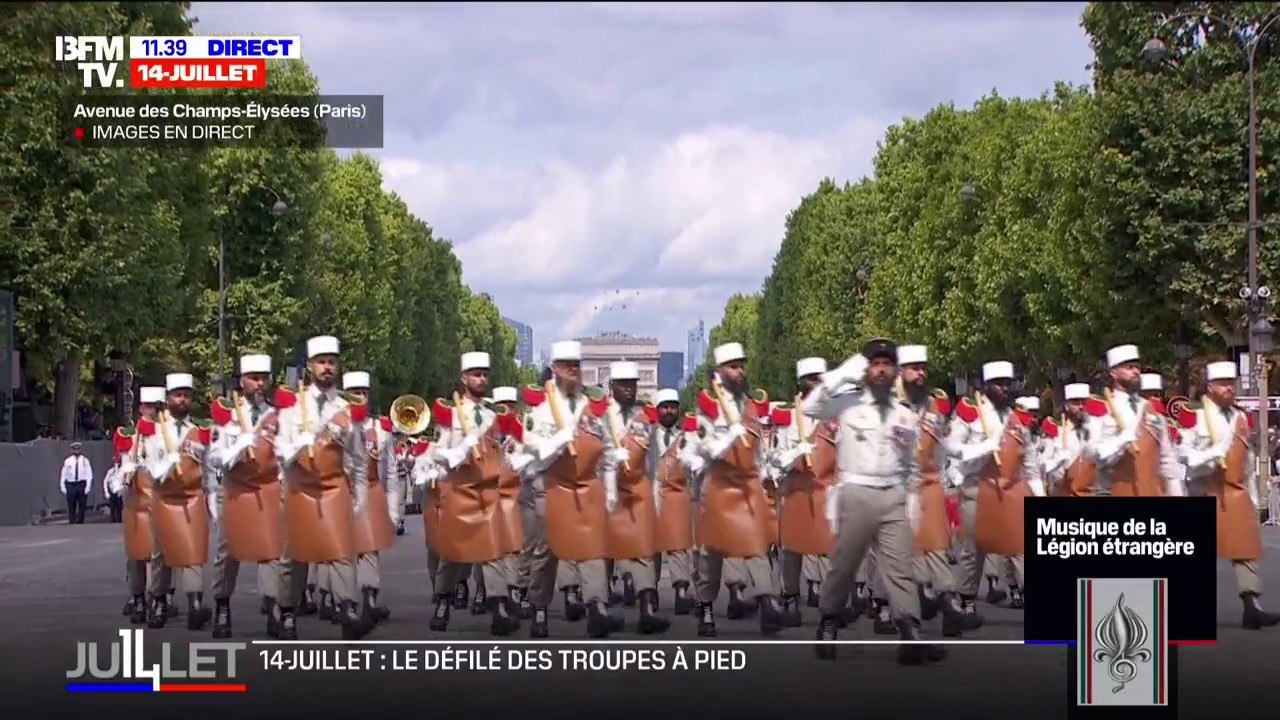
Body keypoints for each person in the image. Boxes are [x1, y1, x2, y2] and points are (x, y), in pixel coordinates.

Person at [803, 340, 942, 665]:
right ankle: (828, 622)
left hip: (892, 495)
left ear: (895, 372)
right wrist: (841, 373)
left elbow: (909, 463)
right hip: (856, 493)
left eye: (887, 365)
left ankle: (911, 634)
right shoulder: (847, 403)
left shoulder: (903, 415)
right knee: (845, 565)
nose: (881, 370)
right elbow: (810, 407)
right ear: (865, 370)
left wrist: (910, 499)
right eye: (875, 364)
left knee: (899, 569)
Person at [274, 335, 374, 640]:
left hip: (333, 487)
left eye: (332, 362)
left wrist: (359, 498)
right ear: (310, 366)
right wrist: (310, 438)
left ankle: (348, 608)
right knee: (293, 557)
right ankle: (287, 612)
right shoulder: (293, 406)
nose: (327, 368)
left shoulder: (347, 408)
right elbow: (281, 449)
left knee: (341, 551)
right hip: (298, 486)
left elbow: (357, 459)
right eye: (321, 362)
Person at [523, 340, 625, 638]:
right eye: (567, 366)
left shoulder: (593, 410)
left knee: (593, 550)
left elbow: (607, 452)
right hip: (551, 487)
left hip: (586, 488)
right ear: (554, 369)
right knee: (545, 553)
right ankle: (539, 609)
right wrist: (559, 439)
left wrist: (609, 492)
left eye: (577, 366)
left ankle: (597, 608)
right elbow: (534, 455)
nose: (573, 371)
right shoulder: (538, 412)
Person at [1177, 360, 1280, 630]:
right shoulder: (1193, 416)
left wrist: (1254, 497)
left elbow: (1244, 460)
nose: (1229, 389)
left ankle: (1252, 606)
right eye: (1223, 384)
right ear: (1210, 387)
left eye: (1232, 384)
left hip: (1234, 491)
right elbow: (1185, 456)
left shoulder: (1240, 417)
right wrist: (1211, 457)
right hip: (1204, 490)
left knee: (1244, 549)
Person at [692, 342, 784, 637]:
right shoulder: (707, 407)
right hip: (718, 484)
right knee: (712, 554)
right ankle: (706, 607)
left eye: (741, 366)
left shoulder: (751, 406)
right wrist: (728, 438)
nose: (739, 371)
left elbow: (759, 449)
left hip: (747, 485)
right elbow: (704, 449)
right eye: (733, 367)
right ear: (719, 372)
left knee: (756, 545)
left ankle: (768, 601)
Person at [945, 360, 1041, 624]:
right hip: (977, 488)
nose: (1004, 389)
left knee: (1021, 546)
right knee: (973, 548)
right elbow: (952, 446)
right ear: (985, 386)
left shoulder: (1017, 418)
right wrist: (985, 447)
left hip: (1010, 490)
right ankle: (965, 600)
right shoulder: (970, 413)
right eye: (998, 384)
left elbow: (1029, 460)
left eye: (1007, 384)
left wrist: (1038, 494)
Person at [207, 353, 294, 640]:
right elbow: (215, 457)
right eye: (253, 378)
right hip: (236, 489)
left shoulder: (277, 415)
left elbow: (285, 451)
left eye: (263, 379)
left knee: (272, 550)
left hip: (268, 488)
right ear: (242, 381)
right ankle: (222, 605)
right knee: (228, 551)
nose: (259, 384)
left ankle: (273, 606)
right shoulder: (227, 414)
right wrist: (237, 447)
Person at [603, 361, 671, 634]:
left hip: (638, 487)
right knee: (603, 551)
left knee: (643, 549)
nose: (629, 390)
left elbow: (653, 459)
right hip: (607, 488)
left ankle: (647, 608)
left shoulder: (646, 418)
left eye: (633, 384)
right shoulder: (599, 415)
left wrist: (654, 494)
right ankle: (599, 606)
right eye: (623, 385)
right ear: (612, 387)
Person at [768, 357, 836, 628]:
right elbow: (775, 457)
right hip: (796, 487)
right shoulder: (788, 419)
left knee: (830, 547)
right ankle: (791, 597)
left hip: (825, 487)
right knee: (792, 548)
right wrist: (795, 453)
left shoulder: (835, 418)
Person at [143, 372, 214, 630]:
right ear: (168, 398)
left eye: (186, 395)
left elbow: (209, 464)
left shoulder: (199, 430)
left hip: (193, 497)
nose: (182, 400)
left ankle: (195, 603)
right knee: (161, 553)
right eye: (177, 395)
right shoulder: (154, 430)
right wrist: (166, 464)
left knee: (193, 551)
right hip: (164, 497)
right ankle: (159, 601)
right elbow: (148, 465)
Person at [1087, 345, 1181, 497]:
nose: (1136, 372)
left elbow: (1167, 459)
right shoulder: (1102, 410)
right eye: (1130, 367)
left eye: (1138, 367)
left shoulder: (1151, 409)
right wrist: (1122, 440)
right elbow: (1094, 457)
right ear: (1113, 372)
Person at [344, 371, 399, 625]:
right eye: (355, 393)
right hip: (342, 491)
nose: (360, 398)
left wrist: (393, 511)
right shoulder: (335, 426)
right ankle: (335, 598)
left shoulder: (381, 431)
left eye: (364, 393)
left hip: (372, 491)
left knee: (368, 548)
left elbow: (390, 473)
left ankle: (369, 598)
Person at [649, 388, 703, 615]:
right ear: (657, 410)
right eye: (664, 407)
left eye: (672, 406)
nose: (669, 411)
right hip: (651, 493)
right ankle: (649, 592)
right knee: (650, 547)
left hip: (679, 494)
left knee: (679, 544)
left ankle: (681, 590)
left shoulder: (688, 436)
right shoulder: (647, 435)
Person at [60, 441, 93, 524]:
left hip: (81, 483)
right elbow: (64, 473)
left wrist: (88, 486)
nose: (76, 451)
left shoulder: (85, 460)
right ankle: (72, 520)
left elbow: (89, 474)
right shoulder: (68, 461)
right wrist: (62, 485)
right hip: (71, 483)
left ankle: (80, 520)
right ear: (72, 450)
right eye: (75, 449)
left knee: (82, 504)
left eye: (78, 449)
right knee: (71, 503)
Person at [103, 453, 125, 523]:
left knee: (119, 508)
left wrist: (122, 491)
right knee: (112, 508)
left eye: (118, 462)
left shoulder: (123, 471)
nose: (116, 464)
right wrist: (106, 492)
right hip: (112, 491)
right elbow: (105, 481)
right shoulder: (110, 471)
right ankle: (113, 520)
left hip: (119, 491)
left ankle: (119, 520)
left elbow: (125, 482)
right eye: (115, 462)